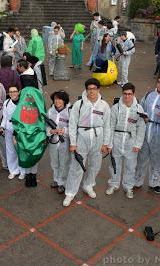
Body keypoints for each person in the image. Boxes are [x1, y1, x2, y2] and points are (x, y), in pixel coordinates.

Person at [63, 78, 111, 207]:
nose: (92, 91)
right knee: (76, 166)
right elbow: (72, 124)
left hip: (98, 137)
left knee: (95, 164)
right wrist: (73, 143)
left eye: (94, 89)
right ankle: (70, 192)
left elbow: (107, 125)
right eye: (89, 89)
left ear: (98, 89)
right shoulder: (79, 105)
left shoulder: (104, 105)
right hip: (82, 137)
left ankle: (88, 185)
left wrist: (106, 143)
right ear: (86, 90)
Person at [106, 83, 145, 199]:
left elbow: (141, 127)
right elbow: (110, 126)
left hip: (131, 141)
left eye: (130, 94)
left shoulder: (139, 109)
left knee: (131, 166)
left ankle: (128, 187)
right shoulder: (115, 108)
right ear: (122, 94)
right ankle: (114, 184)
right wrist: (109, 143)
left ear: (134, 94)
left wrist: (138, 144)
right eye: (125, 94)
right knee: (114, 165)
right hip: (117, 140)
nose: (127, 97)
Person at [47, 90, 71, 194]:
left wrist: (64, 131)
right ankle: (56, 179)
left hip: (64, 141)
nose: (57, 101)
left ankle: (62, 183)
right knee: (54, 162)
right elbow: (46, 126)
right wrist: (50, 131)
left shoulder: (70, 111)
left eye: (60, 99)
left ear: (64, 100)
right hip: (53, 141)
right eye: (56, 99)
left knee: (64, 163)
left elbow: (73, 127)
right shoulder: (50, 111)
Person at [0, 85, 25, 180]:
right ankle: (13, 170)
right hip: (9, 129)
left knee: (21, 150)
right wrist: (2, 127)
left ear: (18, 92)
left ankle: (22, 171)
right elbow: (5, 117)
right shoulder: (6, 103)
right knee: (10, 150)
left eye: (14, 91)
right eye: (10, 92)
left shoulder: (23, 103)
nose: (12, 93)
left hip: (20, 130)